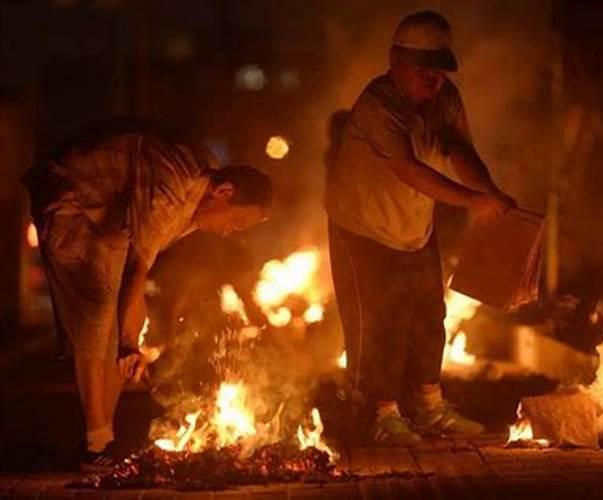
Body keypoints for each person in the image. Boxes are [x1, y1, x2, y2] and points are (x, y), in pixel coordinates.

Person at [23, 118, 272, 471]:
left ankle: (101, 441)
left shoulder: (203, 185)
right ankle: (96, 446)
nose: (233, 232)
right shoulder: (170, 195)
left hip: (107, 218)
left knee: (121, 327)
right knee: (97, 313)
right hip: (71, 198)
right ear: (224, 192)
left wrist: (133, 344)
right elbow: (137, 273)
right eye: (238, 222)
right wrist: (127, 342)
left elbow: (137, 276)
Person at [326, 11, 517, 446]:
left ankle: (429, 407)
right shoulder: (379, 102)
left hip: (413, 225)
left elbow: (460, 151)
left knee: (431, 315)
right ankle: (378, 413)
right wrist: (472, 201)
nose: (433, 77)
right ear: (396, 61)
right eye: (423, 68)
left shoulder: (445, 98)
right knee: (380, 321)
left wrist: (490, 192)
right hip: (362, 227)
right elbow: (407, 170)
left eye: (440, 67)